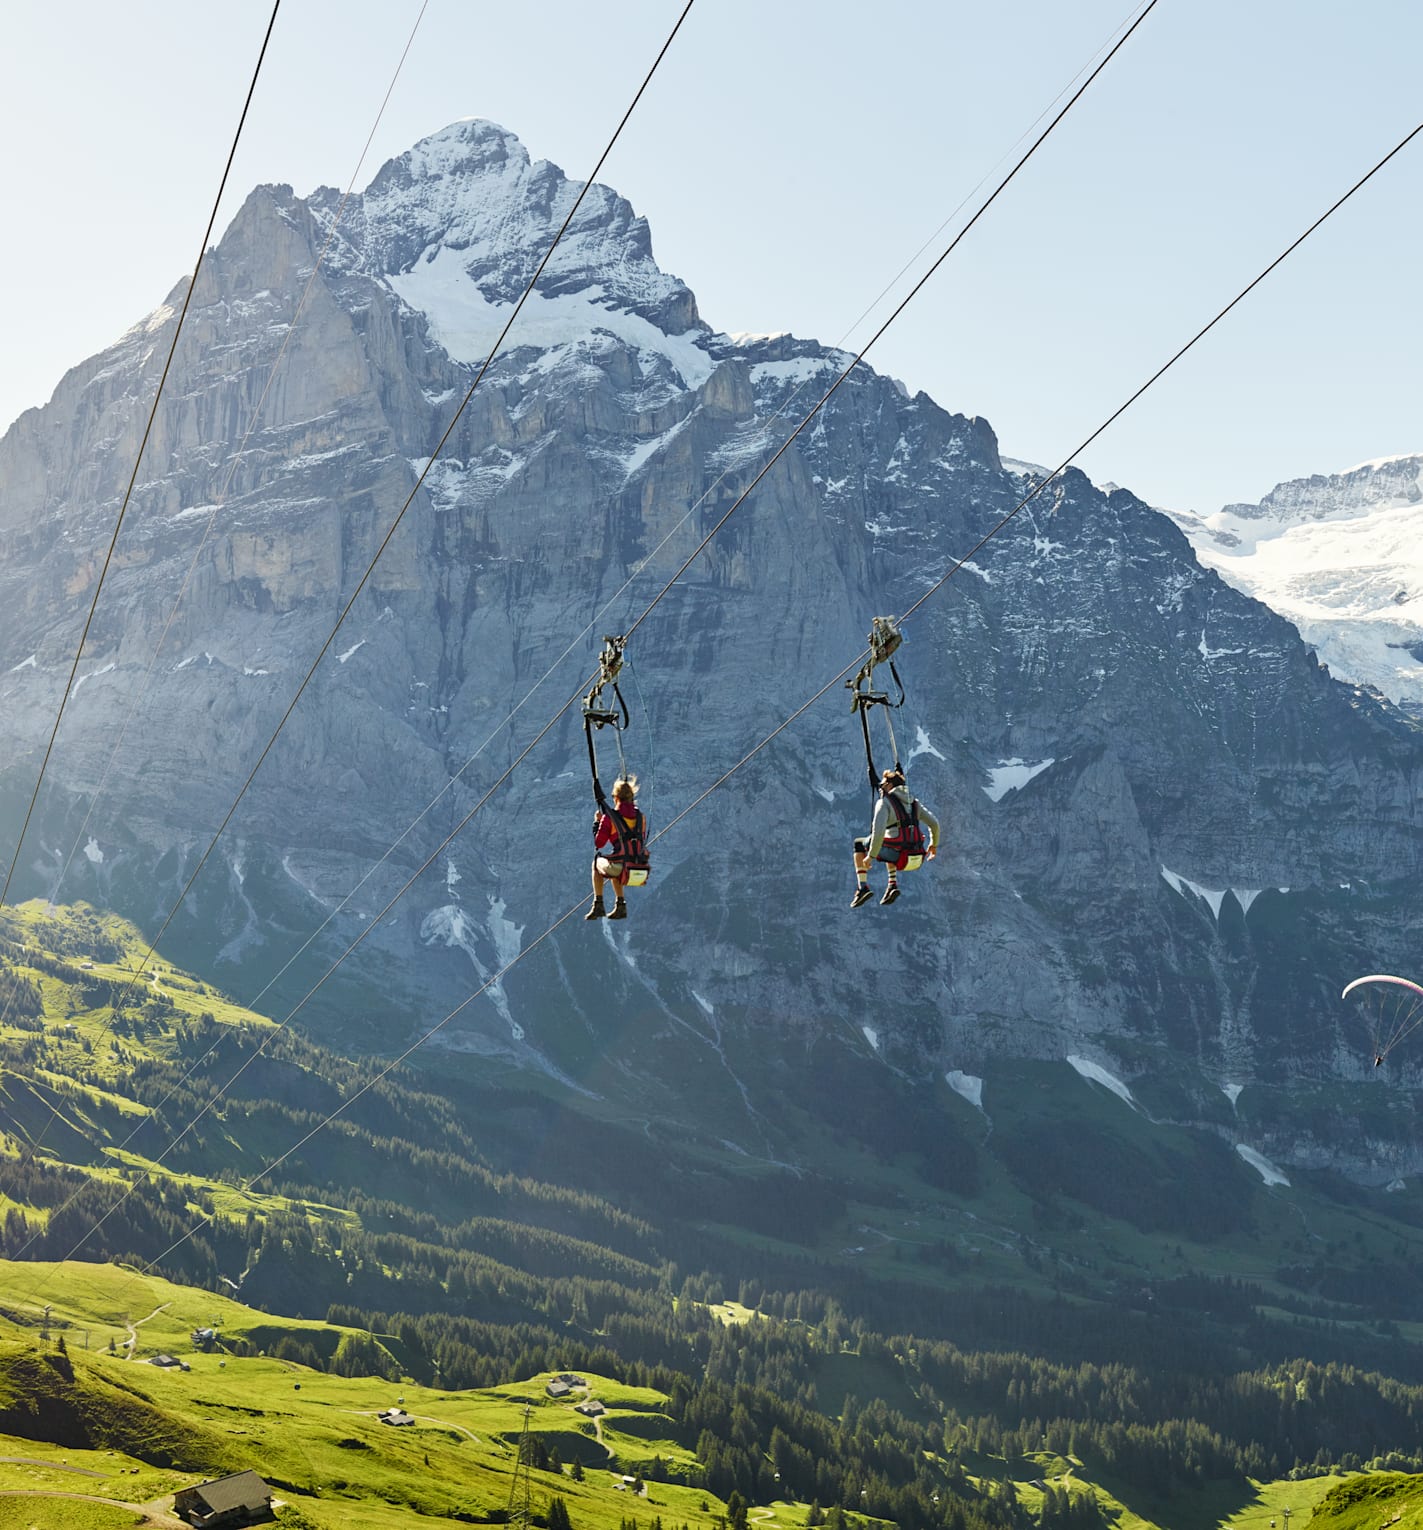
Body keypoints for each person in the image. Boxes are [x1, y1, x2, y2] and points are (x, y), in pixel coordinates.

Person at [852, 768, 939, 907]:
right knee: (891, 841)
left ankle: (862, 887)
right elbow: (934, 824)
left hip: (899, 856)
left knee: (859, 843)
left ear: (890, 786)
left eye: (884, 784)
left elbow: (878, 832)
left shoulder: (885, 803)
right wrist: (933, 845)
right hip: (917, 858)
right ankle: (892, 884)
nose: (881, 787)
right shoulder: (914, 803)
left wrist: (871, 856)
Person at [586, 776, 645, 921]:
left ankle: (598, 903)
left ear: (616, 798)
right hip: (640, 870)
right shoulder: (640, 817)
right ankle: (620, 905)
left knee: (597, 863)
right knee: (615, 861)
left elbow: (599, 843)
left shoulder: (609, 817)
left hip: (623, 867)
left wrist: (597, 823)